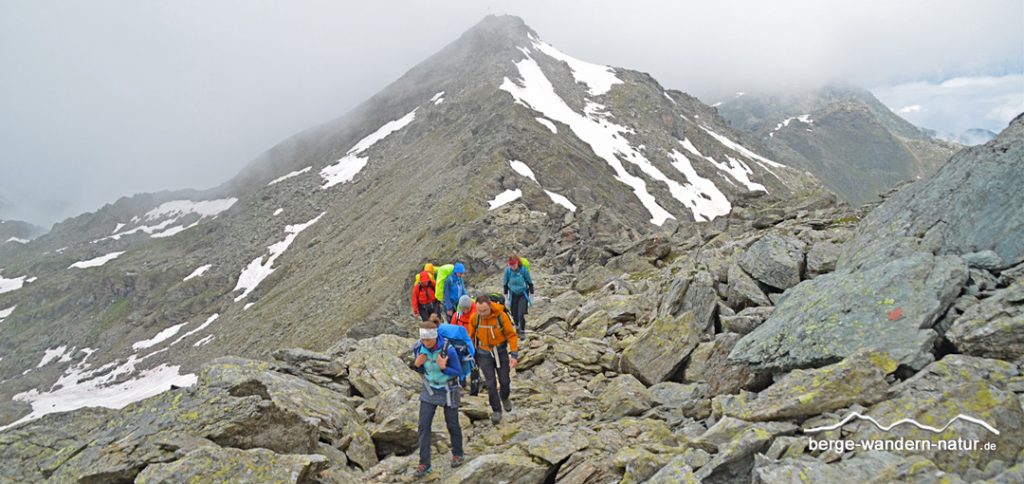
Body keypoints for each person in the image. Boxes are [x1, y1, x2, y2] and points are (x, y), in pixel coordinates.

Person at [411, 320, 465, 477]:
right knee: (423, 426)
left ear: (435, 337)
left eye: (428, 339)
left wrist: (444, 367)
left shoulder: (449, 350)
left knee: (452, 424)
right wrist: (417, 365)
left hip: (449, 389)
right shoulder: (418, 348)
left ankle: (458, 453)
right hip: (429, 389)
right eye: (423, 339)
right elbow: (420, 367)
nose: (425, 343)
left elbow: (458, 371)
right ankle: (424, 463)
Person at [467, 293, 519, 424]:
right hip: (483, 353)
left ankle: (505, 397)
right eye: (479, 311)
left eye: (484, 310)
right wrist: (470, 354)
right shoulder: (475, 318)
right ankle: (496, 410)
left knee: (505, 380)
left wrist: (514, 354)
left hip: (500, 351)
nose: (482, 313)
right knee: (490, 384)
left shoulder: (501, 316)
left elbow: (511, 335)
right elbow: (471, 337)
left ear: (490, 306)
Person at [503, 256, 534, 337]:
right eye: (511, 265)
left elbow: (530, 283)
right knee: (514, 314)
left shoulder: (523, 270)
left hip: (523, 293)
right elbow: (505, 284)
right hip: (513, 294)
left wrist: (532, 295)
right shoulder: (508, 271)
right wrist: (506, 297)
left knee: (521, 313)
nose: (513, 267)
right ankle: (517, 327)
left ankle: (522, 331)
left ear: (517, 263)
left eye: (514, 265)